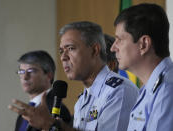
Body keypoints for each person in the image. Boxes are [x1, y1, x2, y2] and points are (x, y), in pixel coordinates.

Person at [9, 21, 139, 131]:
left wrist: (52, 124)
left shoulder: (119, 91)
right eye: (61, 51)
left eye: (70, 48)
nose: (63, 57)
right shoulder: (81, 101)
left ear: (94, 50)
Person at [110, 3, 173, 131]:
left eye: (119, 40)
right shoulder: (150, 89)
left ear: (143, 44)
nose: (113, 48)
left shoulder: (167, 90)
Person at [14, 50, 71, 131]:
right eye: (22, 71)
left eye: (31, 71)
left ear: (49, 75)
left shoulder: (57, 109)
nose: (25, 77)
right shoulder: (25, 112)